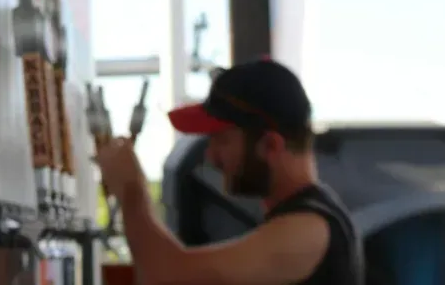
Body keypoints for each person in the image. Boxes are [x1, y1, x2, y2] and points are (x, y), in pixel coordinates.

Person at [95, 59, 363, 285]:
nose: (211, 156)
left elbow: (166, 276)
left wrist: (132, 188)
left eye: (222, 139)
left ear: (270, 145)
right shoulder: (304, 220)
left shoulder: (309, 229)